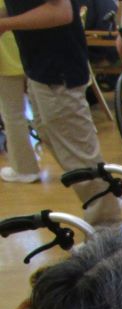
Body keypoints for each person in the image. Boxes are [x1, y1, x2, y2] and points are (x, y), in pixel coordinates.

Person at [0, 0, 121, 225]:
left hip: (58, 71)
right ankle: (106, 196)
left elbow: (61, 12)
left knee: (78, 155)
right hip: (40, 70)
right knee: (52, 136)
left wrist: (6, 24)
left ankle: (107, 224)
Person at [0, 0, 39, 183]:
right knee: (41, 113)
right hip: (30, 51)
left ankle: (24, 168)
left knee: (12, 114)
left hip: (6, 58)